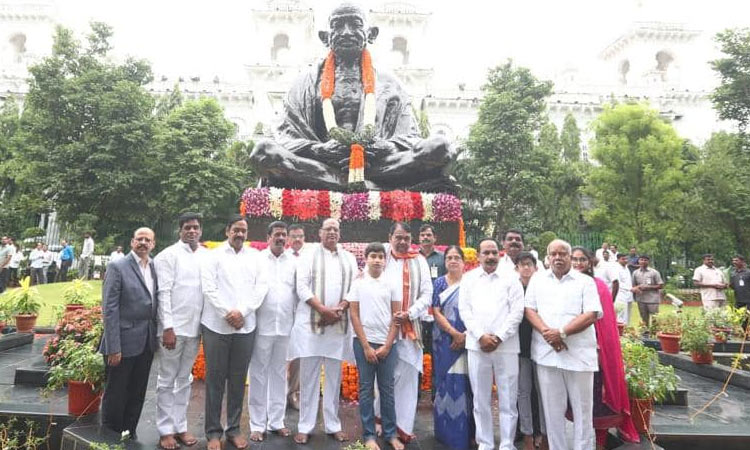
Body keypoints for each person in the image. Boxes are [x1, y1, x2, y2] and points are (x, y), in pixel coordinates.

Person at [249, 3, 455, 191]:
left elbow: (410, 137)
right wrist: (319, 150)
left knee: (440, 148)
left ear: (370, 34)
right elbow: (286, 135)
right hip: (320, 163)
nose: (346, 32)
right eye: (337, 26)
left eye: (355, 24)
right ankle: (366, 187)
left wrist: (386, 147)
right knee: (264, 152)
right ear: (325, 37)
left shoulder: (390, 83)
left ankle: (341, 183)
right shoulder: (304, 82)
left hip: (378, 164)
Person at [524, 239, 602, 450]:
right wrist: (549, 335)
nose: (558, 258)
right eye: (553, 254)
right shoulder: (538, 279)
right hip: (547, 355)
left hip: (579, 355)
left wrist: (562, 333)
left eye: (562, 254)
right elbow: (529, 310)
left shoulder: (585, 282)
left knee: (583, 411)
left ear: (570, 257)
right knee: (552, 412)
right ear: (547, 258)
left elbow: (591, 314)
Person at [201, 215, 267, 450]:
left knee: (238, 380)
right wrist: (228, 313)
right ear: (227, 230)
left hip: (245, 327)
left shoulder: (256, 258)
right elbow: (209, 288)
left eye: (243, 230)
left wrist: (243, 312)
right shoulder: (213, 256)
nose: (240, 234)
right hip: (216, 326)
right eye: (236, 230)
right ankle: (212, 433)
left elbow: (261, 288)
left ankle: (234, 429)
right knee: (215, 380)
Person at [290, 218, 358, 444]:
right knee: (308, 377)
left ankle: (332, 424)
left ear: (340, 233)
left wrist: (338, 310)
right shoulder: (308, 255)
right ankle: (305, 425)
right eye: (328, 229)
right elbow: (301, 287)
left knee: (333, 377)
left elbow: (354, 288)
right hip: (312, 325)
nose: (332, 232)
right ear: (320, 233)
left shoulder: (348, 258)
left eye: (336, 229)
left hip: (336, 325)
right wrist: (323, 310)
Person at [570, 247, 639, 450]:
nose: (578, 263)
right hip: (571, 350)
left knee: (599, 401)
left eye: (582, 259)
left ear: (591, 261)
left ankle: (600, 444)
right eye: (574, 259)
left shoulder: (598, 285)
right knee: (576, 400)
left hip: (595, 351)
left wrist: (601, 349)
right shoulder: (565, 285)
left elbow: (605, 323)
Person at [459, 238, 524, 450]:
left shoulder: (511, 278)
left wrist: (498, 337)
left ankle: (507, 444)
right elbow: (465, 311)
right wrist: (480, 336)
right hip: (477, 347)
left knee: (508, 398)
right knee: (481, 399)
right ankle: (485, 443)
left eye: (494, 252)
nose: (490, 257)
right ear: (478, 256)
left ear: (500, 254)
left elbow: (517, 312)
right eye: (486, 253)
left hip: (506, 347)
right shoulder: (468, 279)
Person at [99, 227, 158, 440]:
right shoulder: (118, 266)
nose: (143, 242)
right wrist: (114, 347)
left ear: (153, 244)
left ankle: (129, 433)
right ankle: (110, 436)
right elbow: (110, 308)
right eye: (139, 239)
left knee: (137, 391)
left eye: (147, 240)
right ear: (132, 242)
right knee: (116, 392)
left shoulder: (153, 267)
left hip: (146, 341)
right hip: (122, 342)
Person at [154, 213, 205, 450]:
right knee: (167, 380)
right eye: (187, 228)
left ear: (201, 231)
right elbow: (163, 293)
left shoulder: (206, 256)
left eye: (195, 228)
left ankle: (180, 426)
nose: (192, 231)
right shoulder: (167, 256)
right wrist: (168, 327)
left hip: (195, 330)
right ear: (180, 230)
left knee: (185, 380)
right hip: (172, 331)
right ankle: (165, 430)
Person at [378, 221, 433, 443]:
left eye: (407, 238)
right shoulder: (382, 257)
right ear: (390, 237)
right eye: (398, 237)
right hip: (384, 328)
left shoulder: (419, 261)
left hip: (411, 328)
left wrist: (409, 313)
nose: (402, 242)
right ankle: (380, 421)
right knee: (383, 377)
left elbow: (427, 293)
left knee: (408, 377)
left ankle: (403, 427)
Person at [348, 242, 403, 450]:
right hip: (363, 343)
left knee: (387, 389)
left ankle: (390, 433)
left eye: (381, 256)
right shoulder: (358, 284)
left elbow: (396, 316)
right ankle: (369, 435)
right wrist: (366, 347)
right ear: (366, 258)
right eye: (374, 256)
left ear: (385, 260)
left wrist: (388, 345)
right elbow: (354, 314)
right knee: (365, 389)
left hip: (388, 344)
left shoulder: (391, 283)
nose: (377, 260)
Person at [248, 221, 297, 441]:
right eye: (276, 234)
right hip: (262, 327)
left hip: (285, 326)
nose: (280, 238)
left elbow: (297, 294)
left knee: (279, 373)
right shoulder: (257, 261)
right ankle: (257, 424)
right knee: (258, 374)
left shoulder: (294, 263)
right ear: (268, 237)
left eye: (283, 235)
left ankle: (276, 421)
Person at [431, 246, 475, 450]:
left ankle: (469, 434)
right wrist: (454, 333)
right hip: (444, 342)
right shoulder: (439, 283)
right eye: (449, 257)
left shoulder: (472, 283)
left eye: (457, 257)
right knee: (445, 384)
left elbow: (478, 310)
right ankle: (445, 433)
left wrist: (465, 335)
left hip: (469, 340)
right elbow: (436, 311)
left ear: (464, 261)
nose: (453, 261)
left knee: (467, 386)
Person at [515, 252, 547, 450]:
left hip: (542, 346)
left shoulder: (543, 288)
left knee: (544, 393)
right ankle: (527, 433)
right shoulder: (512, 288)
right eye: (522, 264)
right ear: (517, 267)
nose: (526, 268)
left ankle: (543, 433)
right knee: (523, 392)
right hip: (519, 348)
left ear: (536, 267)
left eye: (529, 264)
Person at [286, 223, 306, 411]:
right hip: (283, 312)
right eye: (294, 236)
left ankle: (293, 392)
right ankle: (277, 393)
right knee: (281, 355)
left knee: (298, 356)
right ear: (288, 239)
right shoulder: (283, 258)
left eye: (300, 236)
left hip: (302, 313)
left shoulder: (309, 257)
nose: (297, 239)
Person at [418, 224, 443, 358]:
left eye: (428, 235)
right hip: (418, 307)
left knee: (435, 345)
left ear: (435, 238)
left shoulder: (442, 258)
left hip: (437, 308)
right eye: (422, 235)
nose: (425, 237)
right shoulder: (413, 257)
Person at [632, 255, 664, 330]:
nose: (643, 261)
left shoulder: (654, 272)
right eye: (641, 260)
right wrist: (636, 289)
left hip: (652, 300)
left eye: (645, 260)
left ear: (648, 262)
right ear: (638, 261)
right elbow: (633, 286)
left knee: (655, 318)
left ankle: (654, 334)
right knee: (644, 319)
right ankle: (645, 334)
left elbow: (660, 285)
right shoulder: (635, 273)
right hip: (641, 299)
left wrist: (648, 287)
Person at [730, 255, 750, 332]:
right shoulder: (733, 273)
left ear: (742, 262)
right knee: (740, 318)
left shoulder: (748, 272)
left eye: (736, 260)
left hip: (748, 299)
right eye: (733, 260)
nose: (734, 262)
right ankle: (746, 333)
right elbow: (732, 285)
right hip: (738, 300)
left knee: (748, 317)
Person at [614, 253, 634, 325]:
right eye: (623, 259)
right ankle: (620, 331)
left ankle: (626, 330)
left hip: (629, 294)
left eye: (626, 259)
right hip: (620, 294)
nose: (625, 260)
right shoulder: (616, 268)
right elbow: (618, 282)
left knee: (628, 313)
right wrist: (630, 289)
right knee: (622, 314)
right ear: (618, 259)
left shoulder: (626, 268)